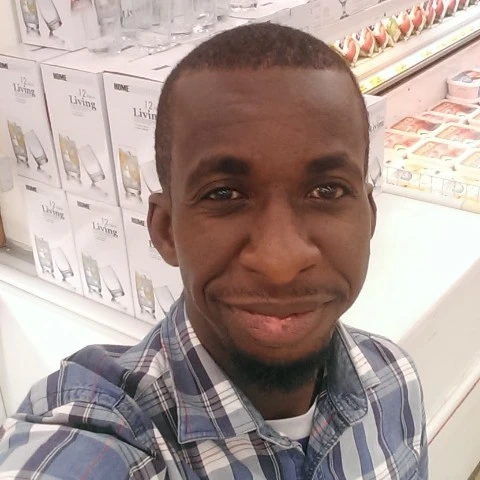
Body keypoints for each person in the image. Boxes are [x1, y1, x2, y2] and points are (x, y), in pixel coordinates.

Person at [0, 23, 427, 479]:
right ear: (165, 230)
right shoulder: (103, 437)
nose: (280, 263)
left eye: (327, 190)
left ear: (369, 218)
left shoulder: (395, 383)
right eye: (224, 194)